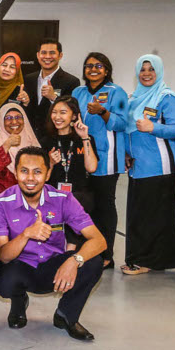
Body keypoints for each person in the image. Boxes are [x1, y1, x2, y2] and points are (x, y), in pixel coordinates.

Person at [0, 147, 106, 341]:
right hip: (20, 266)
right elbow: (3, 255)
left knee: (93, 261)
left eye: (37, 172)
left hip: (53, 267)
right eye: (24, 171)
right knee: (3, 279)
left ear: (48, 173)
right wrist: (26, 234)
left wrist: (74, 261)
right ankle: (18, 302)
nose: (30, 178)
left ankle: (66, 315)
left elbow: (99, 240)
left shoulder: (63, 199)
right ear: (15, 172)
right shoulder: (0, 203)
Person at [123, 54, 175, 276]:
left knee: (156, 217)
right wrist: (126, 154)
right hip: (138, 168)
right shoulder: (134, 99)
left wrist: (153, 128)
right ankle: (138, 257)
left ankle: (148, 261)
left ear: (159, 72)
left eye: (151, 69)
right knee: (139, 215)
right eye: (142, 69)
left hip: (161, 167)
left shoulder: (168, 98)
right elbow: (128, 131)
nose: (146, 74)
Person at [71, 52, 128, 268]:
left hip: (107, 158)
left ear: (107, 70)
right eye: (88, 66)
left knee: (104, 207)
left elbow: (122, 124)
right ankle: (86, 251)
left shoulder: (117, 92)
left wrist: (102, 111)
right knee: (85, 206)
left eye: (98, 66)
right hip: (82, 157)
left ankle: (106, 255)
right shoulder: (78, 91)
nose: (93, 70)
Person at [39, 96, 98, 250]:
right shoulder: (46, 141)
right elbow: (42, 178)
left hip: (79, 194)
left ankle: (70, 250)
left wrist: (84, 137)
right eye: (54, 112)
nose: (57, 117)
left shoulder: (85, 139)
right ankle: (64, 250)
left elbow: (91, 168)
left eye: (63, 112)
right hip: (53, 194)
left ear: (73, 115)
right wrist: (50, 163)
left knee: (74, 202)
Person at [0, 103, 40, 201]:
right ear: (1, 121)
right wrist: (6, 145)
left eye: (18, 117)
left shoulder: (32, 141)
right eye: (8, 118)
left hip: (27, 197)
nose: (14, 121)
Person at [24, 38, 81, 132]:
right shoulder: (28, 79)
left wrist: (54, 98)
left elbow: (72, 111)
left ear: (60, 55)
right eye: (43, 53)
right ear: (38, 55)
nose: (47, 56)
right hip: (30, 134)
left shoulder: (71, 81)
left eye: (52, 53)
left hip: (54, 135)